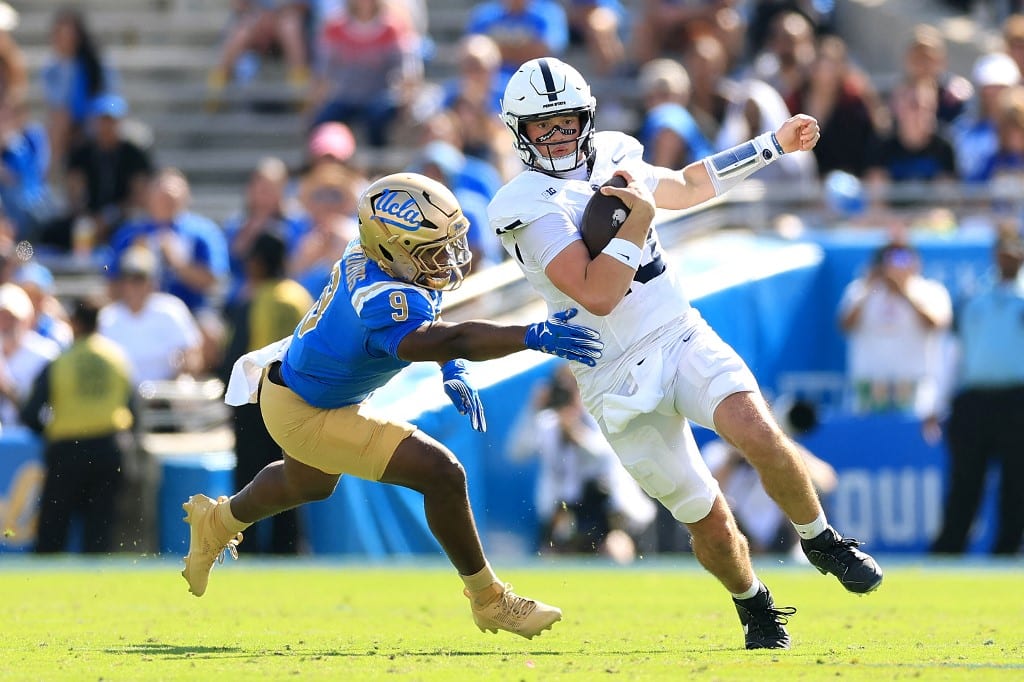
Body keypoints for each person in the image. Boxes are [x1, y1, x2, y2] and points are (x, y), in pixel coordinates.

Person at [487, 57, 883, 650]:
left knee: (758, 430)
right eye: (543, 126)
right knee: (710, 518)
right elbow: (595, 293)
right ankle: (755, 606)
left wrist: (770, 145)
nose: (558, 134)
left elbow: (689, 183)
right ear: (521, 131)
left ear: (587, 116)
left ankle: (821, 538)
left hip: (676, 331)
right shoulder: (521, 204)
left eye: (567, 119)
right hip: (611, 373)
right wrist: (639, 215)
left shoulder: (617, 151)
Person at [180, 172, 604, 641]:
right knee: (442, 474)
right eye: (431, 252)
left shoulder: (380, 258)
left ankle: (216, 521)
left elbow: (434, 319)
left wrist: (451, 366)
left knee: (309, 482)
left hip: (299, 387)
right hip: (308, 410)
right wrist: (531, 335)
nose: (446, 259)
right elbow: (448, 334)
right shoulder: (381, 297)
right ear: (392, 250)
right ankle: (490, 599)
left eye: (446, 245)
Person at [931, 229, 1024, 555]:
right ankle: (949, 549)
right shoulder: (973, 297)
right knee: (965, 480)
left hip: (1017, 400)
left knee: (1017, 482)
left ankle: (1007, 550)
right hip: (974, 400)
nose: (1010, 255)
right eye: (1005, 248)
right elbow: (953, 354)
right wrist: (936, 400)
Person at [220, 231, 314, 554]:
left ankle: (246, 547)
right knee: (292, 476)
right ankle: (288, 549)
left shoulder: (254, 300)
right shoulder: (303, 297)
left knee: (251, 479)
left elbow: (235, 356)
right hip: (298, 399)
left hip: (256, 402)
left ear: (258, 262)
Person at [508, 362, 657, 561]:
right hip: (565, 511)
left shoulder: (604, 412)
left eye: (574, 383)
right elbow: (516, 454)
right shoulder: (547, 424)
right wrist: (532, 410)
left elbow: (610, 455)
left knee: (615, 550)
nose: (568, 391)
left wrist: (578, 435)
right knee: (551, 555)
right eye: (561, 385)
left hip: (612, 511)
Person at [20, 297, 135, 553]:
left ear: (74, 323)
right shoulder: (118, 358)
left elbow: (30, 413)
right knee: (100, 533)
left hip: (68, 451)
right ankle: (96, 591)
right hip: (110, 447)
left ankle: (44, 589)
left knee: (52, 532)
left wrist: (49, 433)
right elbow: (134, 410)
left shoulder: (61, 361)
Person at [838, 240, 953, 420]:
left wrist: (904, 292)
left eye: (902, 258)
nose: (896, 265)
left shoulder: (930, 290)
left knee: (912, 441)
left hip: (912, 384)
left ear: (916, 262)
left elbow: (936, 324)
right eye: (890, 259)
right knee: (868, 440)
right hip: (870, 385)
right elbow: (845, 325)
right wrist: (869, 287)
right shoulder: (862, 290)